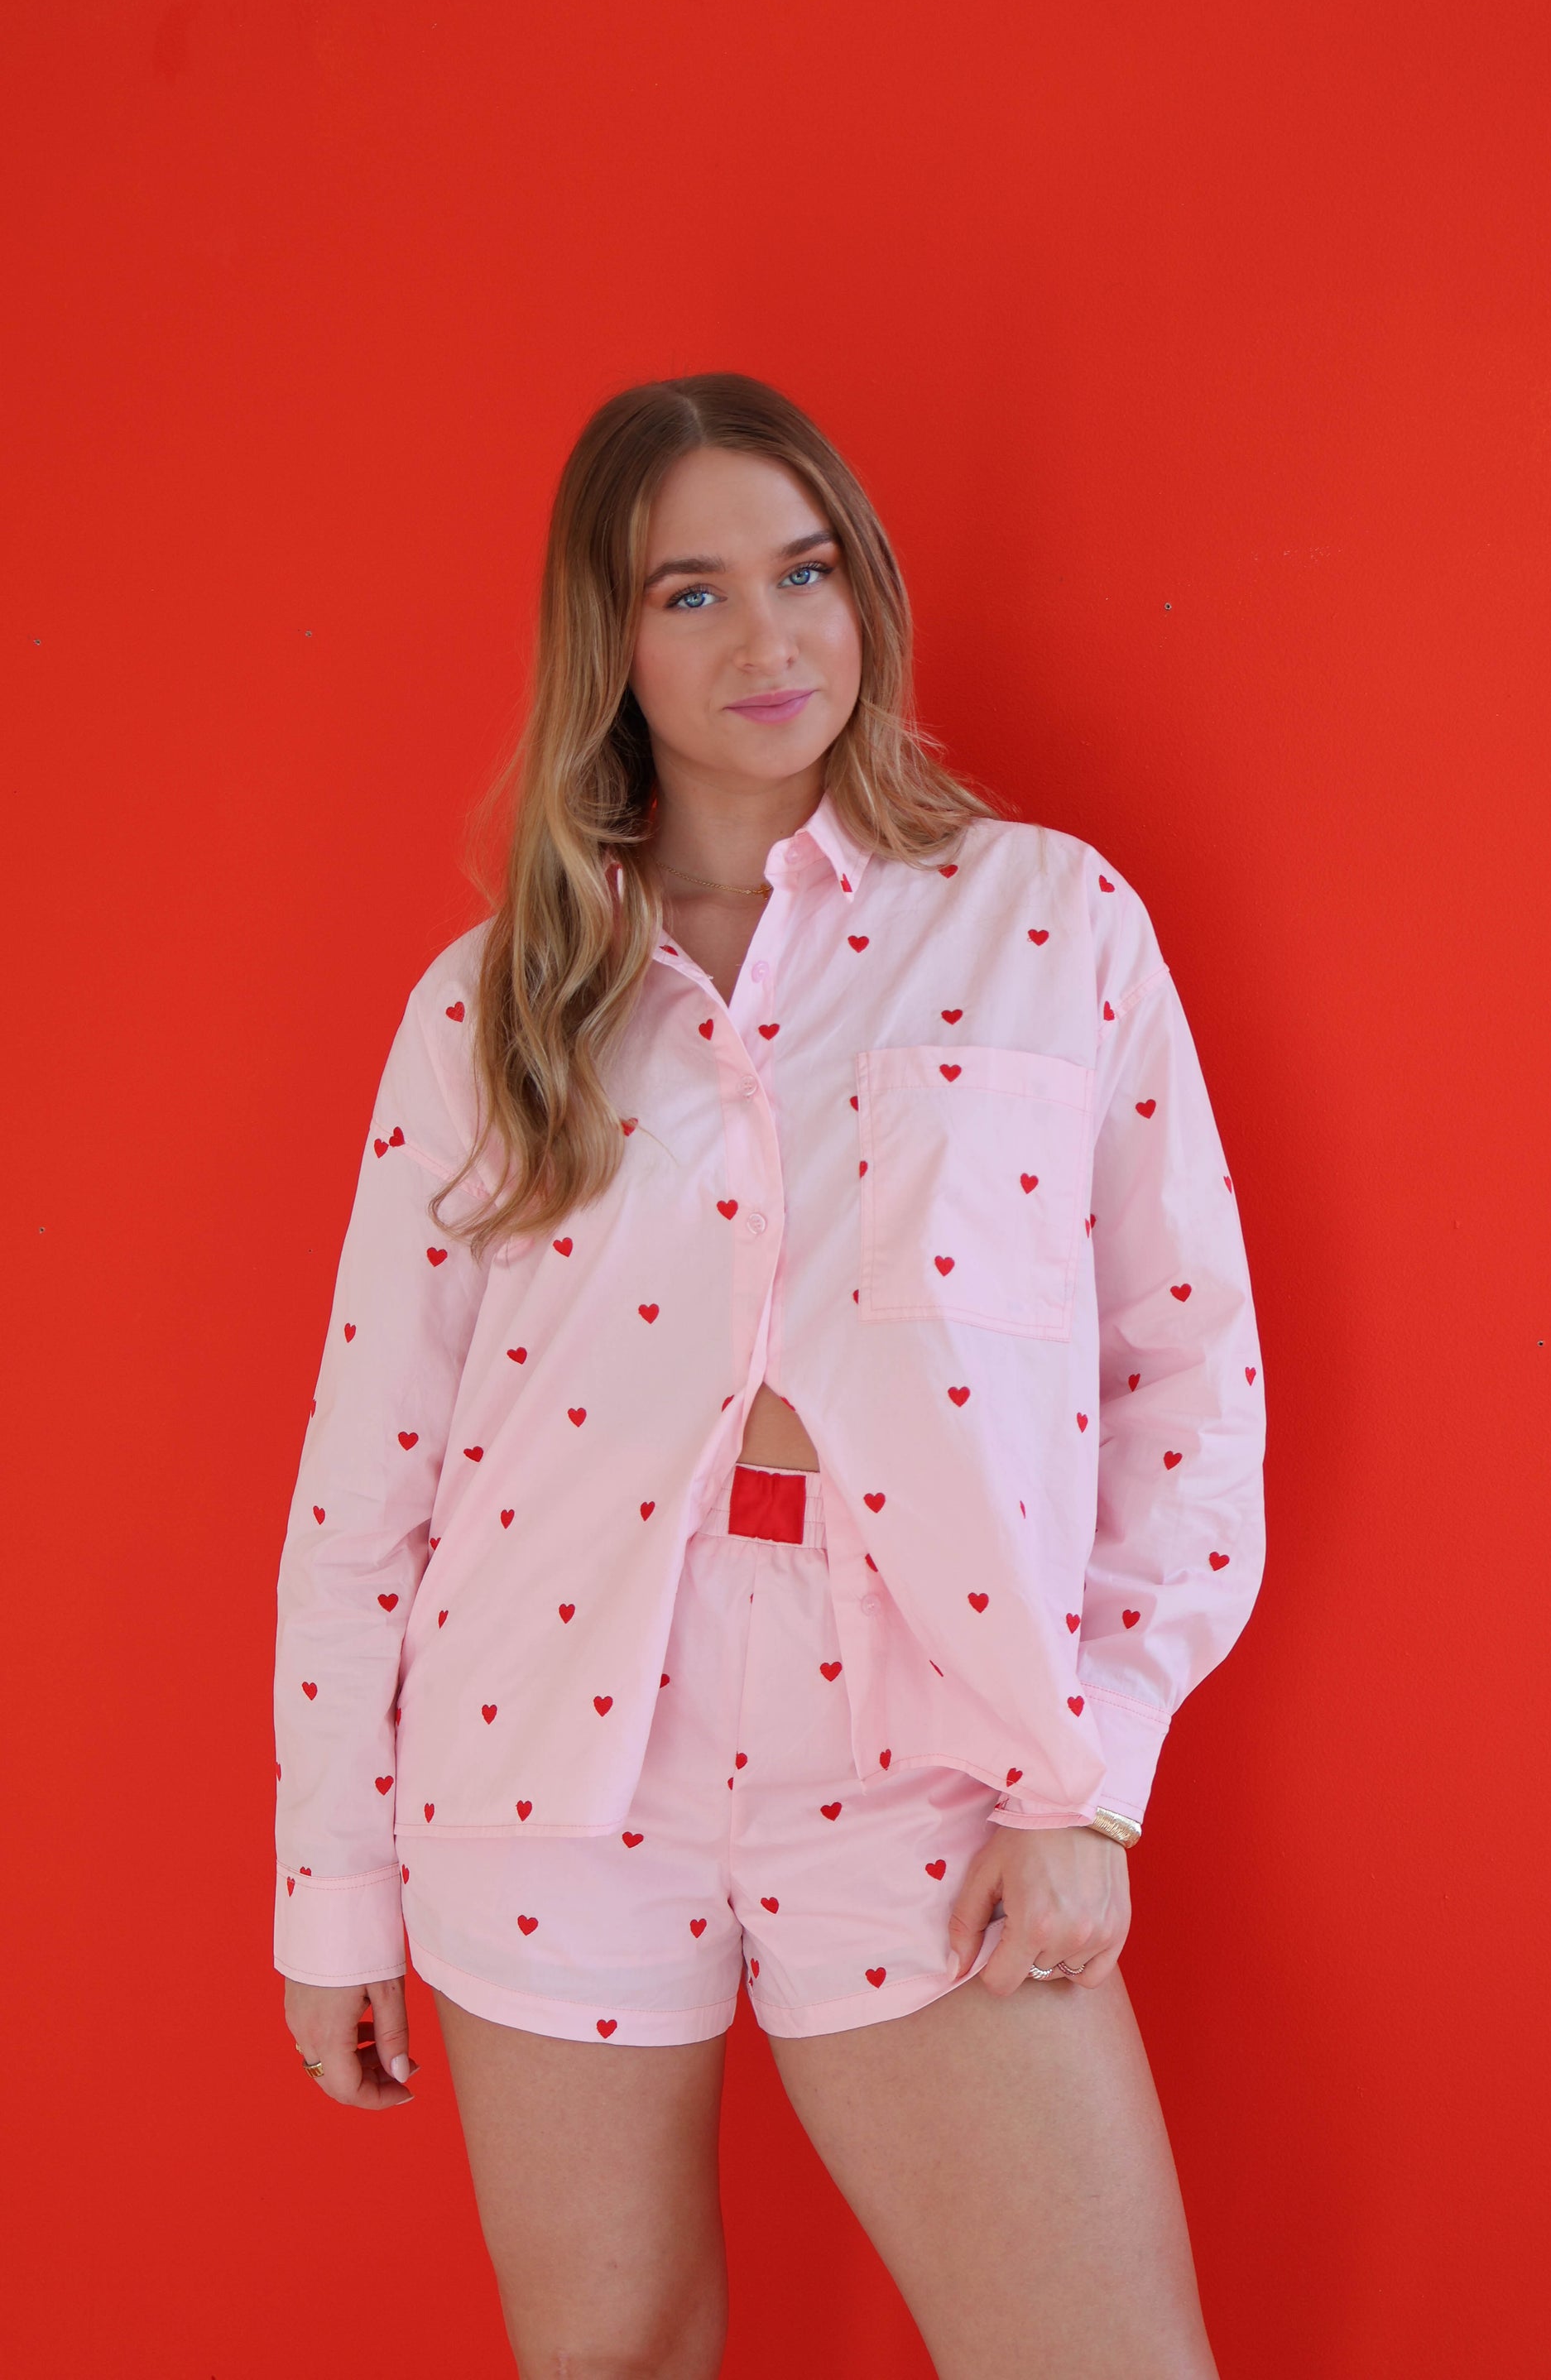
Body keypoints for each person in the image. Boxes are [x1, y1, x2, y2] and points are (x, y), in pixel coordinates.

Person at [273, 372, 1265, 2378]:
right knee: (612, 2355)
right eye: (692, 592)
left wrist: (1091, 1775)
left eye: (803, 571)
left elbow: (1190, 1375)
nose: (768, 636)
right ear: (609, 641)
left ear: (865, 592)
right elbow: (369, 1466)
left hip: (931, 1745)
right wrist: (334, 1884)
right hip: (549, 1756)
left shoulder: (1047, 922)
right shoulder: (491, 1006)